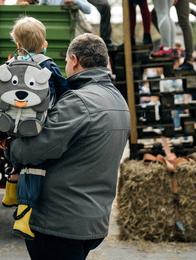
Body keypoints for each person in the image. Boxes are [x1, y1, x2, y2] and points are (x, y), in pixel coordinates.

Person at [7, 33, 130, 260]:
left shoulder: (79, 102)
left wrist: (10, 143)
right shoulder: (119, 100)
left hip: (59, 223)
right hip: (93, 220)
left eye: (65, 61)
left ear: (74, 60)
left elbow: (31, 151)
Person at [0, 16, 69, 240]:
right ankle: (22, 219)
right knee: (35, 168)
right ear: (44, 44)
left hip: (13, 126)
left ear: (18, 45)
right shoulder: (49, 66)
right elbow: (65, 93)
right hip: (39, 126)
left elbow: (0, 100)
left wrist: (0, 132)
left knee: (19, 156)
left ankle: (10, 194)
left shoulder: (9, 67)